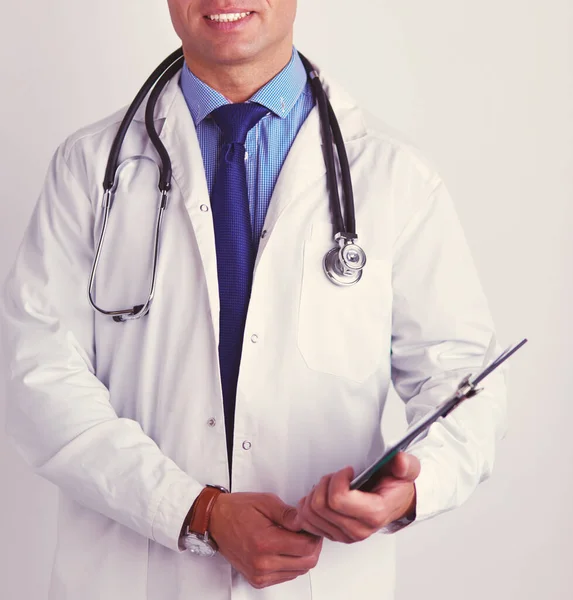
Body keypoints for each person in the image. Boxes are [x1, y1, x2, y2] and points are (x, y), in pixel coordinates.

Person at [1, 1, 507, 599]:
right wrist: (196, 511)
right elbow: (39, 377)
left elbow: (460, 378)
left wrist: (415, 486)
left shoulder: (396, 179)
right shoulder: (87, 170)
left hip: (323, 577)